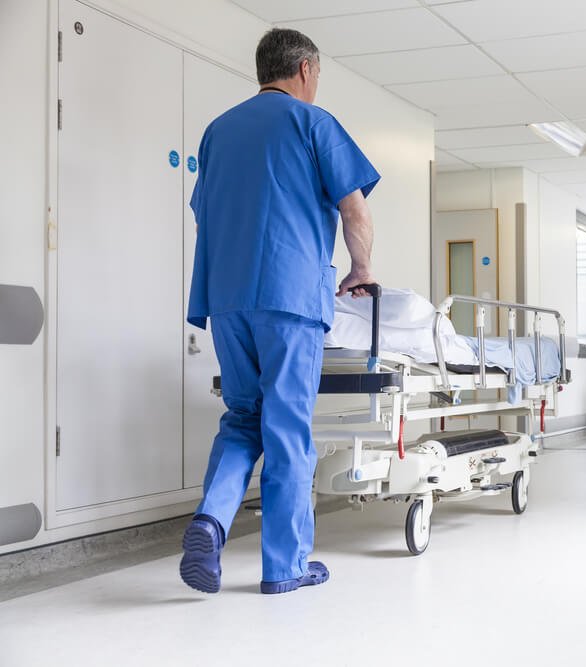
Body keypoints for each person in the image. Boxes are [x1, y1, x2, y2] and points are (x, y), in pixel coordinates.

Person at [180, 28, 381, 595]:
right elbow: (355, 211)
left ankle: (211, 520)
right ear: (307, 69)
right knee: (288, 426)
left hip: (226, 298)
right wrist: (361, 269)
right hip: (289, 299)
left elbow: (206, 217)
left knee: (243, 417)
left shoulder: (218, 131)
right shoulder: (314, 123)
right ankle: (285, 566)